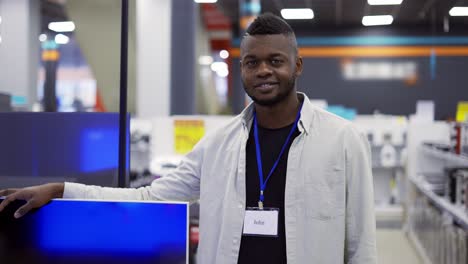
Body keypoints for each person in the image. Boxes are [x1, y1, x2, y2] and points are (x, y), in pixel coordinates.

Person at [0, 13, 377, 263]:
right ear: (241, 68)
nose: (263, 70)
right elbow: (149, 196)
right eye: (252, 62)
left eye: (275, 61)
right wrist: (62, 189)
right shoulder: (219, 144)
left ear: (296, 65)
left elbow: (361, 245)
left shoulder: (342, 141)